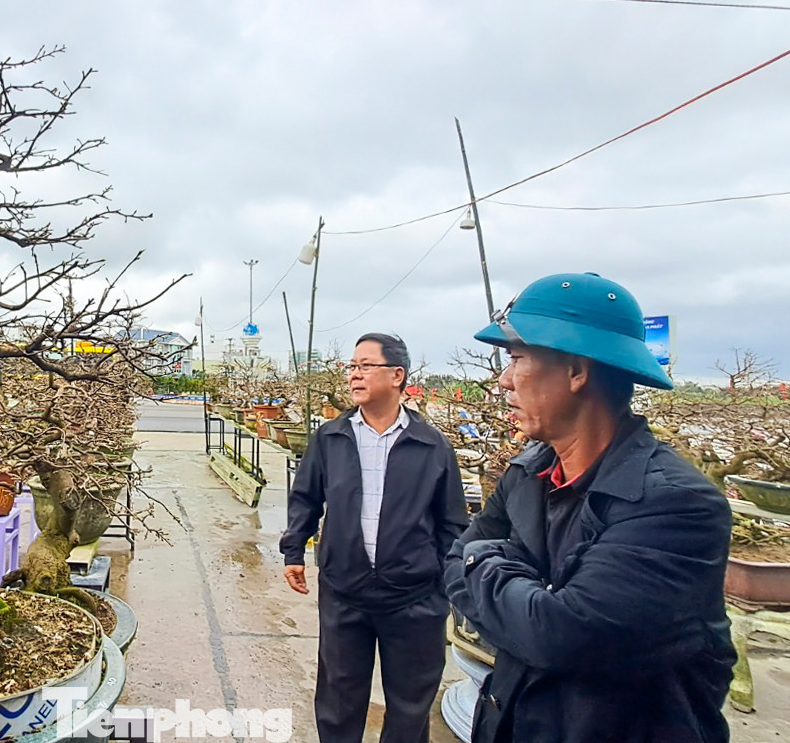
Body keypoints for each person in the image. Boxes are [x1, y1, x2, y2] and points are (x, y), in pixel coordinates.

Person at [443, 272, 736, 743]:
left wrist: (490, 563)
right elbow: (455, 558)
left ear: (578, 371)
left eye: (516, 358)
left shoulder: (678, 506)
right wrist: (517, 581)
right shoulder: (529, 473)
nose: (501, 381)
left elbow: (557, 636)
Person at [281, 333, 469, 743]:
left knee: (409, 706)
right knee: (338, 702)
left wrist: (440, 581)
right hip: (344, 591)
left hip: (414, 598)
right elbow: (306, 497)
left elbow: (452, 522)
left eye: (366, 365)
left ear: (397, 375)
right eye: (352, 366)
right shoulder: (331, 437)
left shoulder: (432, 445)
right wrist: (293, 549)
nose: (354, 374)